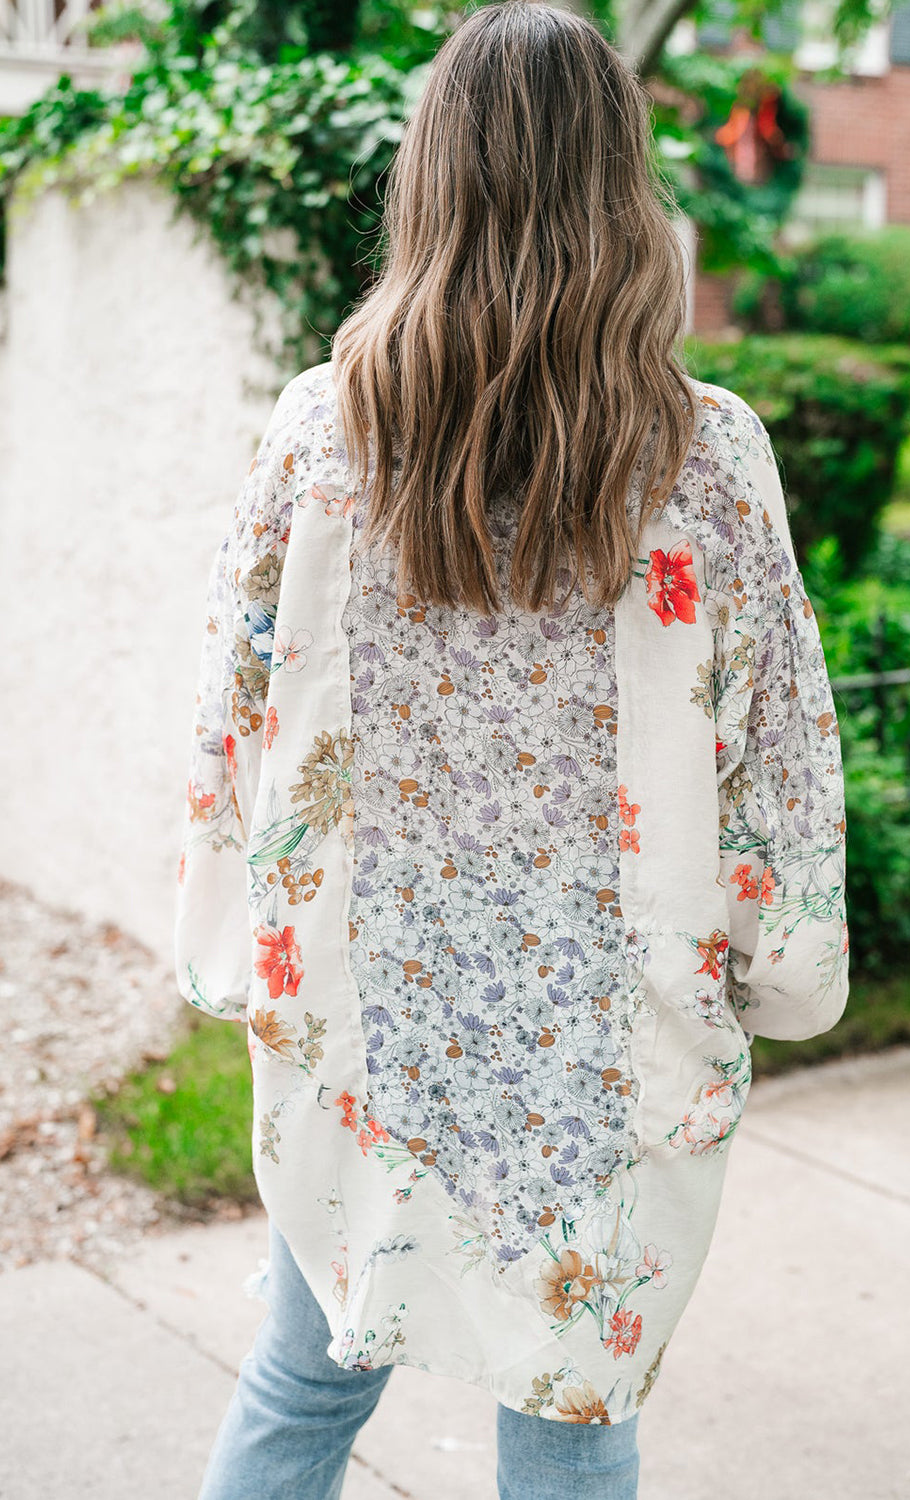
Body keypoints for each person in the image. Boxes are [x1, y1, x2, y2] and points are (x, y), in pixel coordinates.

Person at [173, 4, 850, 1496]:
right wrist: (779, 962)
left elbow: (235, 713)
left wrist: (233, 944)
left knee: (304, 1377)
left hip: (372, 1011)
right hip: (607, 1037)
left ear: (429, 178)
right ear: (623, 185)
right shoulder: (704, 455)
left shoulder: (326, 433)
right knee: (575, 1413)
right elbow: (779, 752)